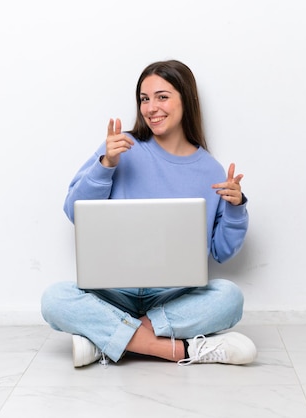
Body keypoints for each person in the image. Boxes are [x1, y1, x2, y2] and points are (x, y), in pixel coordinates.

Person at [41, 60, 256, 368]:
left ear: (186, 99)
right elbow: (73, 211)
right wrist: (106, 166)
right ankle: (181, 351)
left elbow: (221, 252)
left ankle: (108, 341)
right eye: (144, 99)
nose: (151, 107)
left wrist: (236, 209)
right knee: (54, 299)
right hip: (112, 292)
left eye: (162, 96)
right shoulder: (119, 148)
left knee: (230, 298)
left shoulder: (210, 169)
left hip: (170, 298)